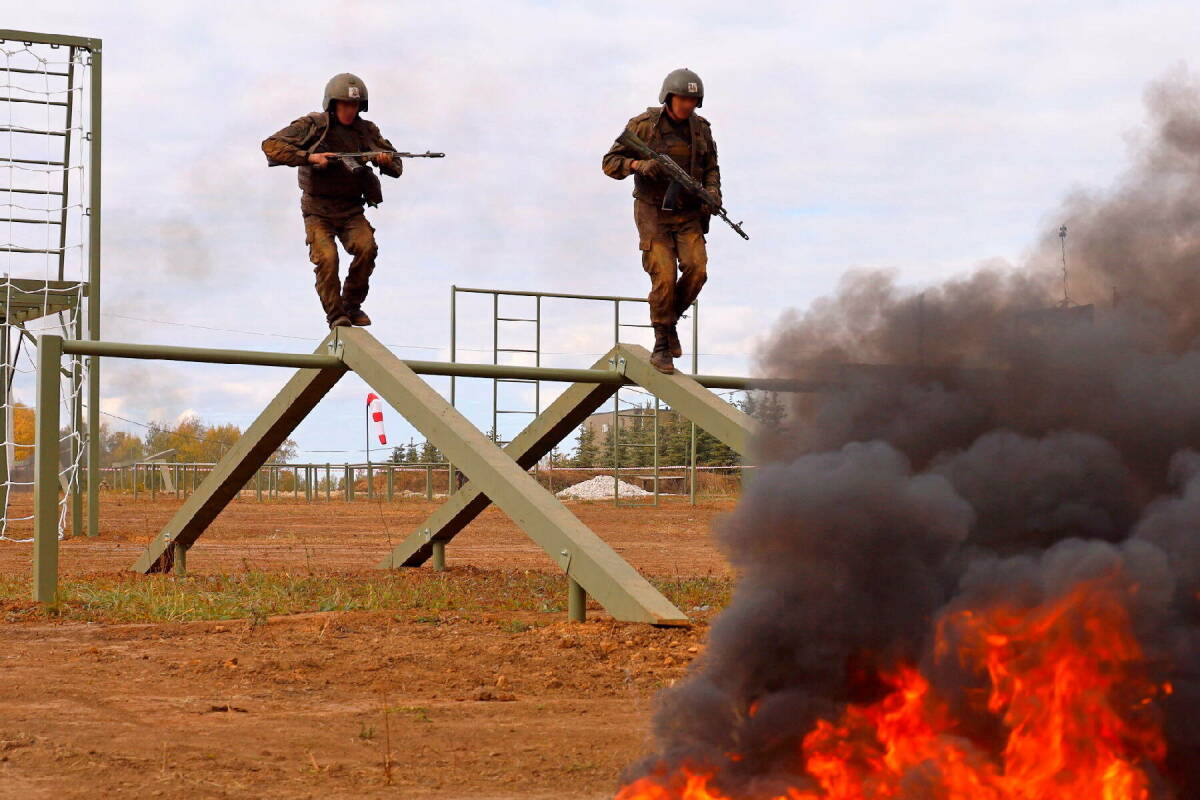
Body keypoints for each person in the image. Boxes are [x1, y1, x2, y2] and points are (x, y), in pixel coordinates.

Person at [602, 68, 721, 374]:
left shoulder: (701, 130)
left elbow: (711, 167)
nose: (687, 105)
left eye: (692, 101)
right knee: (664, 276)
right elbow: (610, 163)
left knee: (697, 270)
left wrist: (712, 192)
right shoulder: (643, 126)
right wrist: (637, 164)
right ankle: (662, 343)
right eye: (682, 99)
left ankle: (668, 324)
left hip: (688, 213)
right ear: (669, 97)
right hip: (653, 212)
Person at [262, 73, 401, 328]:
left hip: (351, 209)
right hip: (318, 210)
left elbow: (397, 165)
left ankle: (352, 305)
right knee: (327, 259)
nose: (350, 110)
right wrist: (309, 157)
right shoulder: (313, 125)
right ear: (333, 103)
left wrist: (384, 161)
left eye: (354, 105)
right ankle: (337, 316)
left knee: (367, 248)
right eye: (345, 104)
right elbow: (271, 145)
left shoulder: (366, 131)